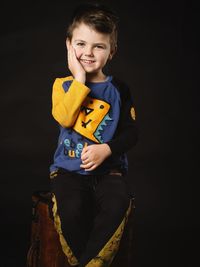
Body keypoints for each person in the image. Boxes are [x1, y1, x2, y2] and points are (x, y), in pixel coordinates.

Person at [49, 2, 138, 267]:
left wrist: (107, 149)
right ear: (68, 44)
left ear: (112, 52)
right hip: (69, 172)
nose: (88, 53)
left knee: (116, 203)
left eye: (99, 46)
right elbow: (65, 117)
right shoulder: (62, 86)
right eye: (81, 44)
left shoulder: (119, 89)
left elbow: (132, 134)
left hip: (108, 172)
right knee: (72, 209)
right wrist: (79, 79)